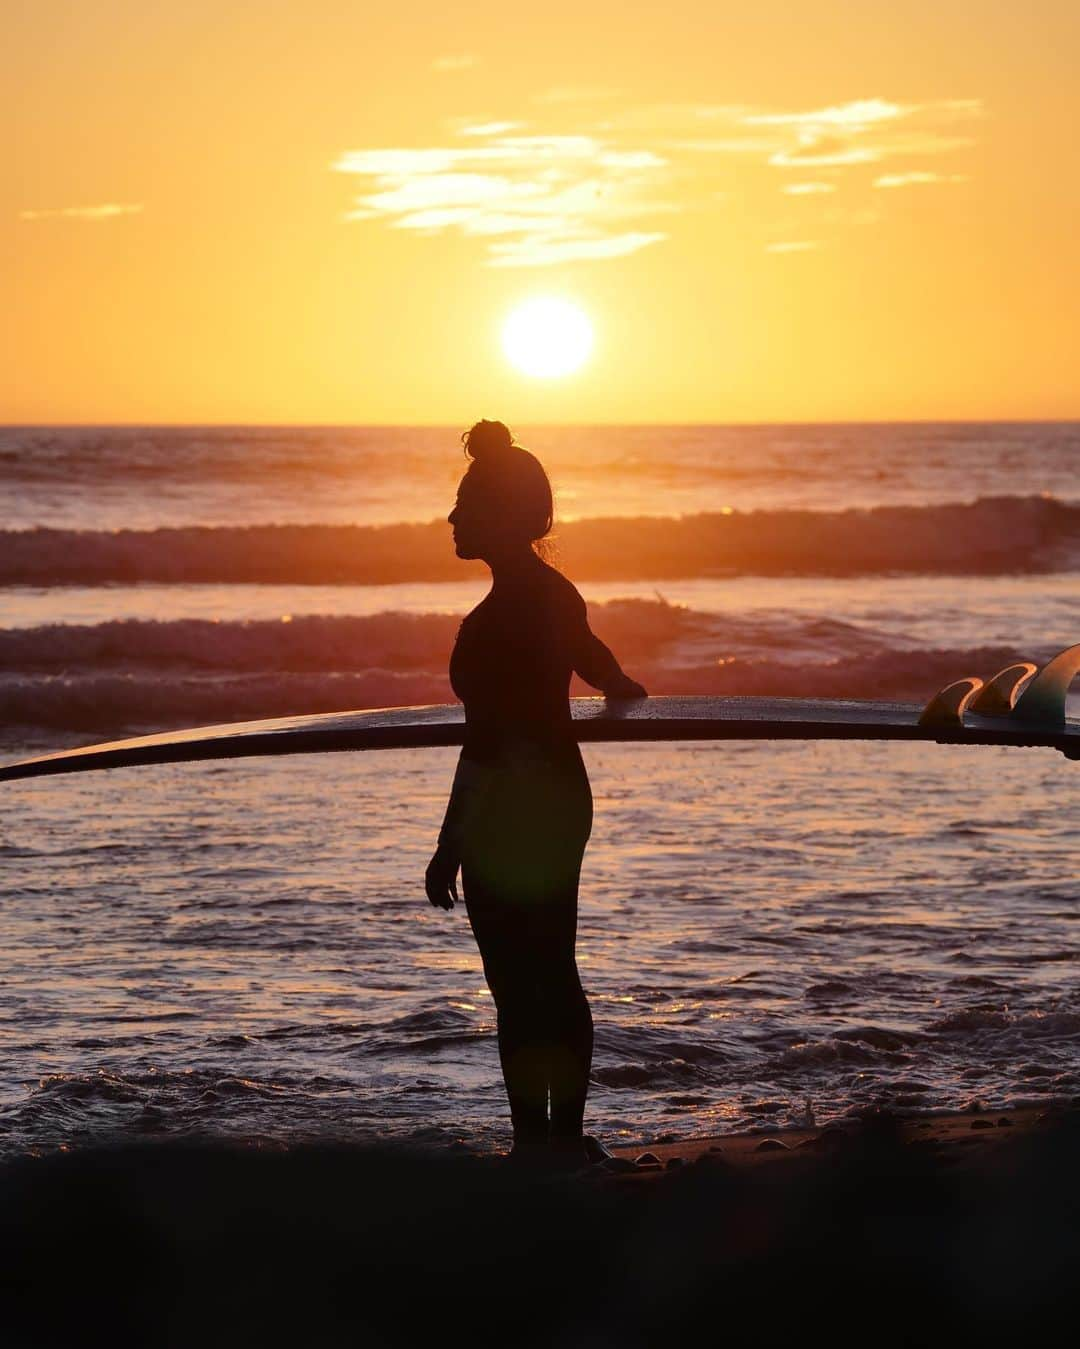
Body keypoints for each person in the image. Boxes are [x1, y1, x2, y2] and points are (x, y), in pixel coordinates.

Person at [425, 420, 647, 1168]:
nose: (452, 518)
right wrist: (623, 690)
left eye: (464, 504)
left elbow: (484, 743)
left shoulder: (494, 622)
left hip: (508, 807)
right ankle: (562, 1137)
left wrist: (450, 840)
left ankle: (535, 1143)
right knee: (552, 968)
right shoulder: (553, 592)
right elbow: (598, 661)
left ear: (501, 514)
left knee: (518, 982)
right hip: (557, 795)